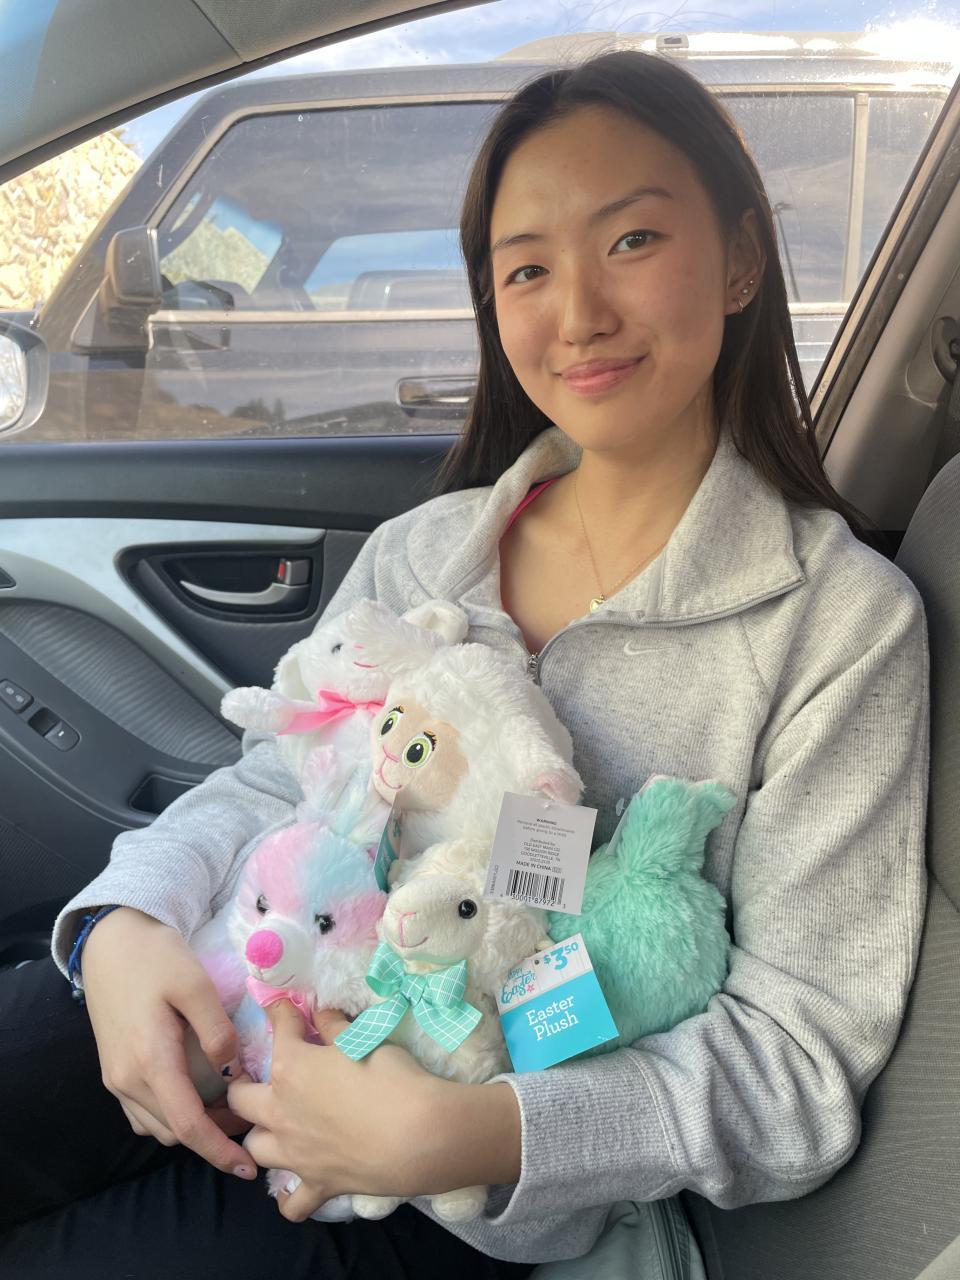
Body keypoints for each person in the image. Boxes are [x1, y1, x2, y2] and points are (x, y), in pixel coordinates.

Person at [0, 49, 928, 1279]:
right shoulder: (427, 550)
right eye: (527, 267)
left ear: (743, 259)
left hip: (456, 1188)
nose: (579, 311)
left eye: (633, 240)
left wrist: (474, 1134)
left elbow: (799, 1059)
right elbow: (276, 780)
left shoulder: (837, 625)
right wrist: (124, 921)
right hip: (251, 979)